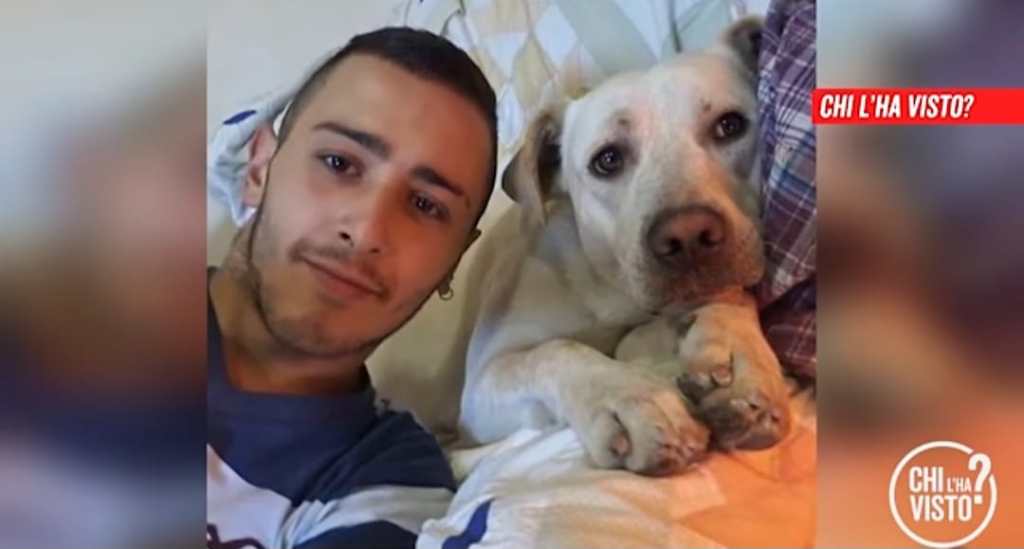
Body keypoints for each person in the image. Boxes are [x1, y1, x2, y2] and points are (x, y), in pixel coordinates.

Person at [206, 27, 497, 549]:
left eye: (426, 205)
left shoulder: (388, 487)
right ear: (259, 167)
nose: (366, 232)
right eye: (340, 164)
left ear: (454, 261)